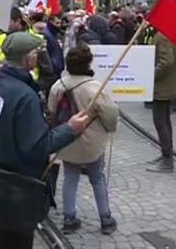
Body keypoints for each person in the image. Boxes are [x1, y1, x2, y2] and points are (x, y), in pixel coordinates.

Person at [0, 32, 89, 248]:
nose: (37, 57)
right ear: (28, 59)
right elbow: (38, 146)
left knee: (2, 234)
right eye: (35, 53)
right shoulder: (25, 96)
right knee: (17, 239)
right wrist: (70, 129)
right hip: (19, 185)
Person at [48, 45, 119, 235]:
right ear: (88, 63)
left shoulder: (58, 86)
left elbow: (51, 113)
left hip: (67, 140)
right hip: (92, 144)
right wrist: (110, 128)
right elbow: (111, 117)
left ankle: (69, 218)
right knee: (97, 178)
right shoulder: (95, 88)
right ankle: (105, 218)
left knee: (70, 178)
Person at [146, 32, 176, 173]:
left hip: (162, 86)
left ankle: (167, 159)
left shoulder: (163, 35)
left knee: (160, 121)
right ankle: (166, 155)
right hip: (169, 84)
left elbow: (166, 62)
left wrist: (149, 77)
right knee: (165, 120)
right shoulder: (171, 33)